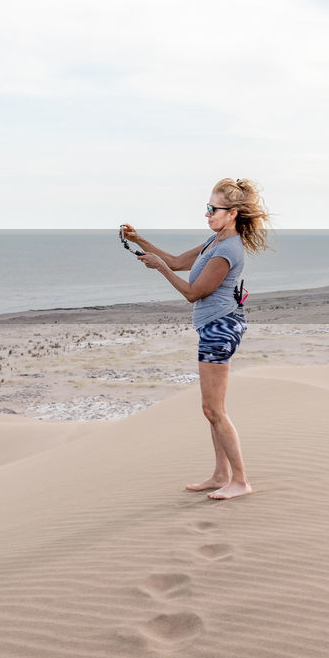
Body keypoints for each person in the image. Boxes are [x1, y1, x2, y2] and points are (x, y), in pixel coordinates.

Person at [121, 177, 273, 500]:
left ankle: (241, 480)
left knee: (215, 410)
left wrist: (160, 269)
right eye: (207, 208)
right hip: (212, 328)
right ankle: (220, 474)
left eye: (212, 209)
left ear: (232, 213)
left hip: (220, 329)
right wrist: (139, 239)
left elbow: (193, 292)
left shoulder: (228, 250)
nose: (207, 214)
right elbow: (177, 261)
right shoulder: (214, 241)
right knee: (210, 409)